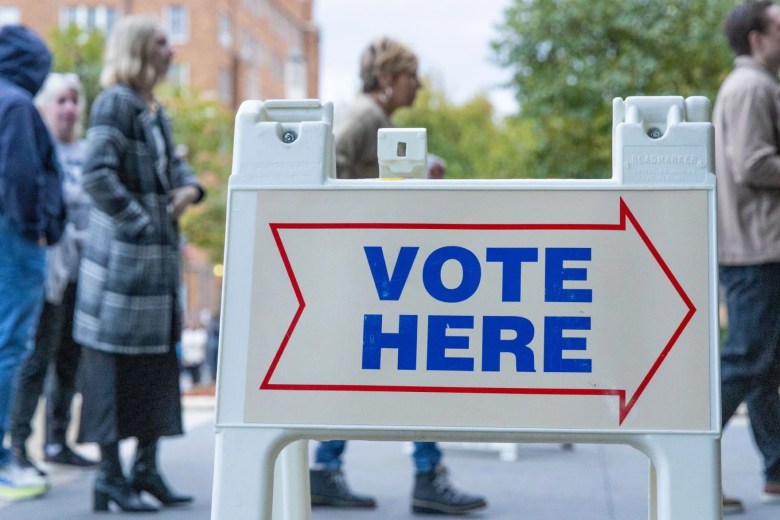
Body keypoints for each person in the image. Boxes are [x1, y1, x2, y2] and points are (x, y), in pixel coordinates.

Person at [311, 36, 487, 516]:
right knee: (418, 362)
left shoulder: (378, 122)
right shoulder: (365, 117)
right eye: (411, 74)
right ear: (387, 80)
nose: (419, 84)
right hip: (369, 267)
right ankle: (426, 475)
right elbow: (329, 169)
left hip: (370, 267)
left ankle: (327, 467)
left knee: (372, 365)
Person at [72, 14, 204, 513]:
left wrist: (190, 188)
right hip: (120, 279)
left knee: (154, 372)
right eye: (162, 42)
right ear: (138, 49)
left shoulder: (153, 108)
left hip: (154, 278)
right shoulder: (114, 105)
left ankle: (146, 470)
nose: (171, 51)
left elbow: (177, 166)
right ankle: (110, 477)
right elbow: (97, 176)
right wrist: (142, 223)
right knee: (110, 373)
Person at [9, 72, 97, 478]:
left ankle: (58, 440)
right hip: (46, 277)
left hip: (84, 277)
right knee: (34, 360)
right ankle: (18, 445)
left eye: (74, 101)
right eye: (60, 101)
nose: (69, 109)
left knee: (69, 362)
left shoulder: (88, 152)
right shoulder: (37, 152)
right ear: (43, 108)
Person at [714, 1, 780, 514]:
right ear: (757, 39)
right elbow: (754, 163)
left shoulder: (753, 86)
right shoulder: (753, 87)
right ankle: (689, 455)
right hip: (757, 248)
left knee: (765, 363)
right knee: (746, 359)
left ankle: (777, 471)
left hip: (755, 246)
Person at [0, 25, 65, 502]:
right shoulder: (17, 104)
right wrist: (36, 228)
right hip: (14, 241)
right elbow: (21, 174)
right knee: (9, 347)